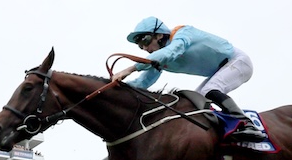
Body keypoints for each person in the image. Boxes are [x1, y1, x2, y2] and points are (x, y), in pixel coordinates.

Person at [112, 17, 266, 143]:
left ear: (159, 35)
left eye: (145, 40)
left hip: (237, 61)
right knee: (195, 103)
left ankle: (247, 124)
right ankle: (222, 131)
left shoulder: (182, 34)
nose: (144, 48)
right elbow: (143, 83)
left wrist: (129, 69)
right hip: (221, 70)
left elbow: (171, 52)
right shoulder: (160, 58)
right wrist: (115, 89)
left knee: (207, 91)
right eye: (140, 45)